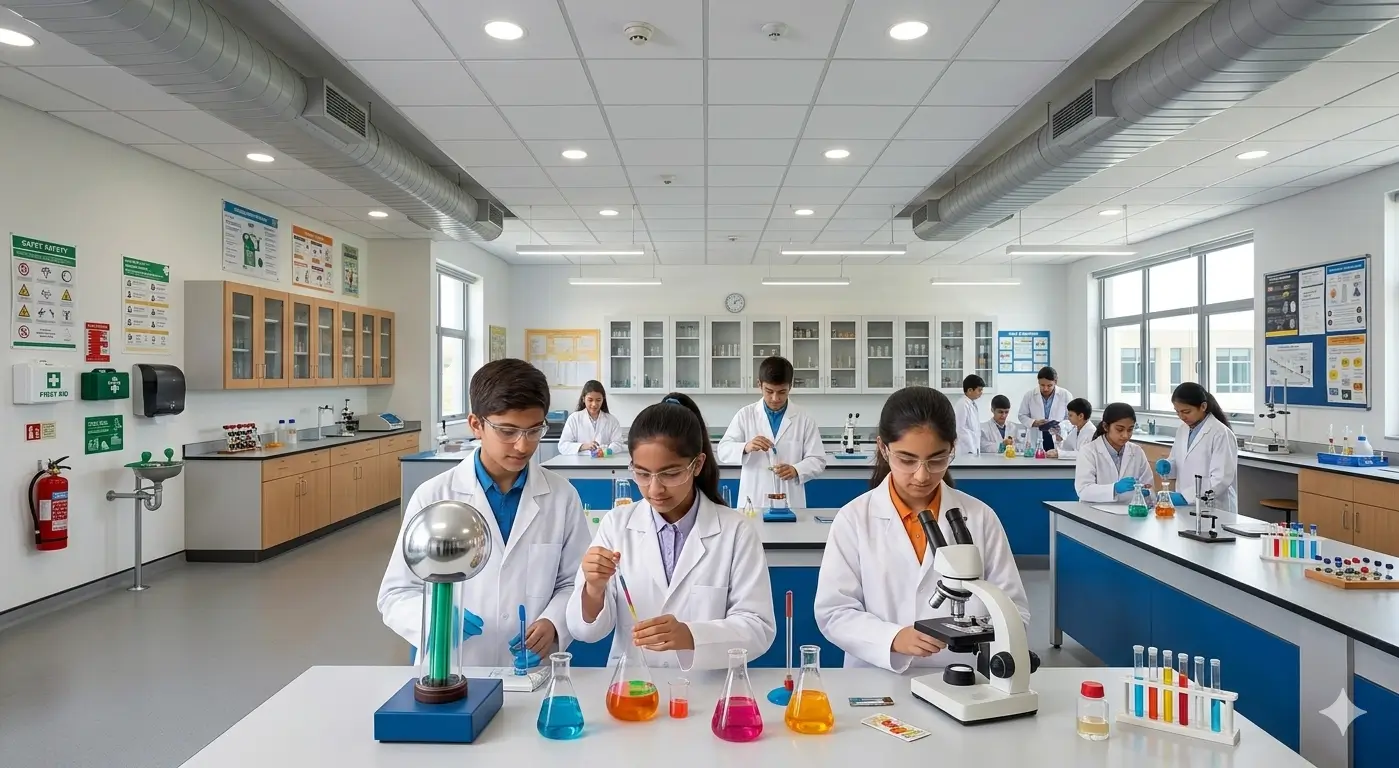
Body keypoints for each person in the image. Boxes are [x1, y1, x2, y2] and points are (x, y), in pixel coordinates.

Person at [377, 359, 590, 668]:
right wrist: (434, 621)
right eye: (508, 431)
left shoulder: (561, 496)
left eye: (534, 431)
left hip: (532, 671)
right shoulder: (434, 497)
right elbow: (396, 593)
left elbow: (574, 582)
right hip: (452, 669)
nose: (522, 445)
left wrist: (554, 623)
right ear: (476, 424)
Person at [813, 387, 1029, 672]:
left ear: (953, 447)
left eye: (937, 459)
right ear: (883, 448)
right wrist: (892, 638)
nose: (922, 474)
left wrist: (984, 633)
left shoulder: (980, 517)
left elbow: (1014, 608)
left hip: (964, 675)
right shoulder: (854, 519)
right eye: (907, 460)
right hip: (877, 676)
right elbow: (834, 612)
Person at [566, 394, 775, 671]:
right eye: (642, 474)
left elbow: (758, 628)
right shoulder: (616, 525)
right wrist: (593, 588)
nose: (654, 489)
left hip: (707, 690)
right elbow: (586, 632)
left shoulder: (736, 531)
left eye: (670, 474)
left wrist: (691, 636)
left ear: (697, 465)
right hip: (633, 687)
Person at [717, 356, 827, 509]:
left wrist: (796, 470)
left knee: (792, 533)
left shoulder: (804, 419)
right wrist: (746, 447)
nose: (775, 398)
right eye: (769, 391)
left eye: (782, 392)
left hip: (790, 501)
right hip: (754, 500)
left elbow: (818, 460)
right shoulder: (745, 415)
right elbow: (723, 450)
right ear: (759, 385)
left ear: (791, 386)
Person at [1157, 382, 1239, 511]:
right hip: (1185, 506)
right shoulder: (1183, 430)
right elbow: (1179, 462)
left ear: (1203, 406)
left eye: (1186, 411)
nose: (1182, 417)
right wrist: (1168, 466)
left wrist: (1186, 497)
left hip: (1213, 507)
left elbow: (1220, 479)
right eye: (1177, 412)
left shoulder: (1220, 433)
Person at [1074, 402, 1154, 503]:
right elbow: (1084, 490)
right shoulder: (1089, 451)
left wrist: (1147, 492)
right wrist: (1114, 488)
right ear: (1106, 426)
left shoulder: (1137, 451)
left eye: (1130, 430)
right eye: (1119, 429)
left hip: (1129, 512)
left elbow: (1149, 485)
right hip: (1095, 512)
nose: (1125, 435)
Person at [558, 380, 625, 455]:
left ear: (603, 399)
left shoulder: (611, 420)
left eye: (598, 400)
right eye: (590, 400)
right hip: (581, 464)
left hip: (605, 462)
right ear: (583, 399)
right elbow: (563, 446)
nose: (594, 404)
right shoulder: (574, 418)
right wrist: (584, 446)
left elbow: (618, 444)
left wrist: (605, 451)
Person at [1018, 366, 1073, 452]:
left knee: (1056, 461)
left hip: (1057, 436)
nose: (1045, 389)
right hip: (1036, 435)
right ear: (1038, 382)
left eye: (1049, 385)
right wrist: (1034, 422)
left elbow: (1071, 418)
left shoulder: (1065, 395)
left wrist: (1061, 426)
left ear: (1056, 382)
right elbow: (1022, 415)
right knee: (1037, 461)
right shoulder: (1029, 395)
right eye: (1042, 385)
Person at [955, 374, 985, 456]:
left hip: (973, 449)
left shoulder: (972, 404)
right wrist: (970, 448)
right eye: (979, 390)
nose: (981, 393)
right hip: (966, 449)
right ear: (970, 390)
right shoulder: (962, 404)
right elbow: (960, 428)